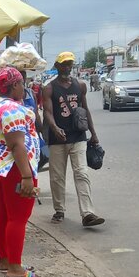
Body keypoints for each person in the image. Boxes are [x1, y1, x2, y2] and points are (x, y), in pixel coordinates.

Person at [0, 67, 41, 277]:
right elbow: (17, 145)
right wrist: (27, 177)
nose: (23, 87)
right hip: (15, 168)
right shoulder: (12, 110)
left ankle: (5, 260)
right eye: (21, 83)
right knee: (18, 218)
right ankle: (15, 268)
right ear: (15, 85)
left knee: (1, 215)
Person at [42, 51, 104, 228]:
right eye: (64, 64)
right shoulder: (49, 88)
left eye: (70, 64)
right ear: (57, 66)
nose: (67, 67)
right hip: (57, 140)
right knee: (57, 177)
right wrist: (55, 128)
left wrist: (94, 134)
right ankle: (59, 210)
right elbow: (47, 112)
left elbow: (85, 111)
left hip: (78, 137)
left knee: (82, 173)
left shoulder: (80, 86)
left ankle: (88, 213)